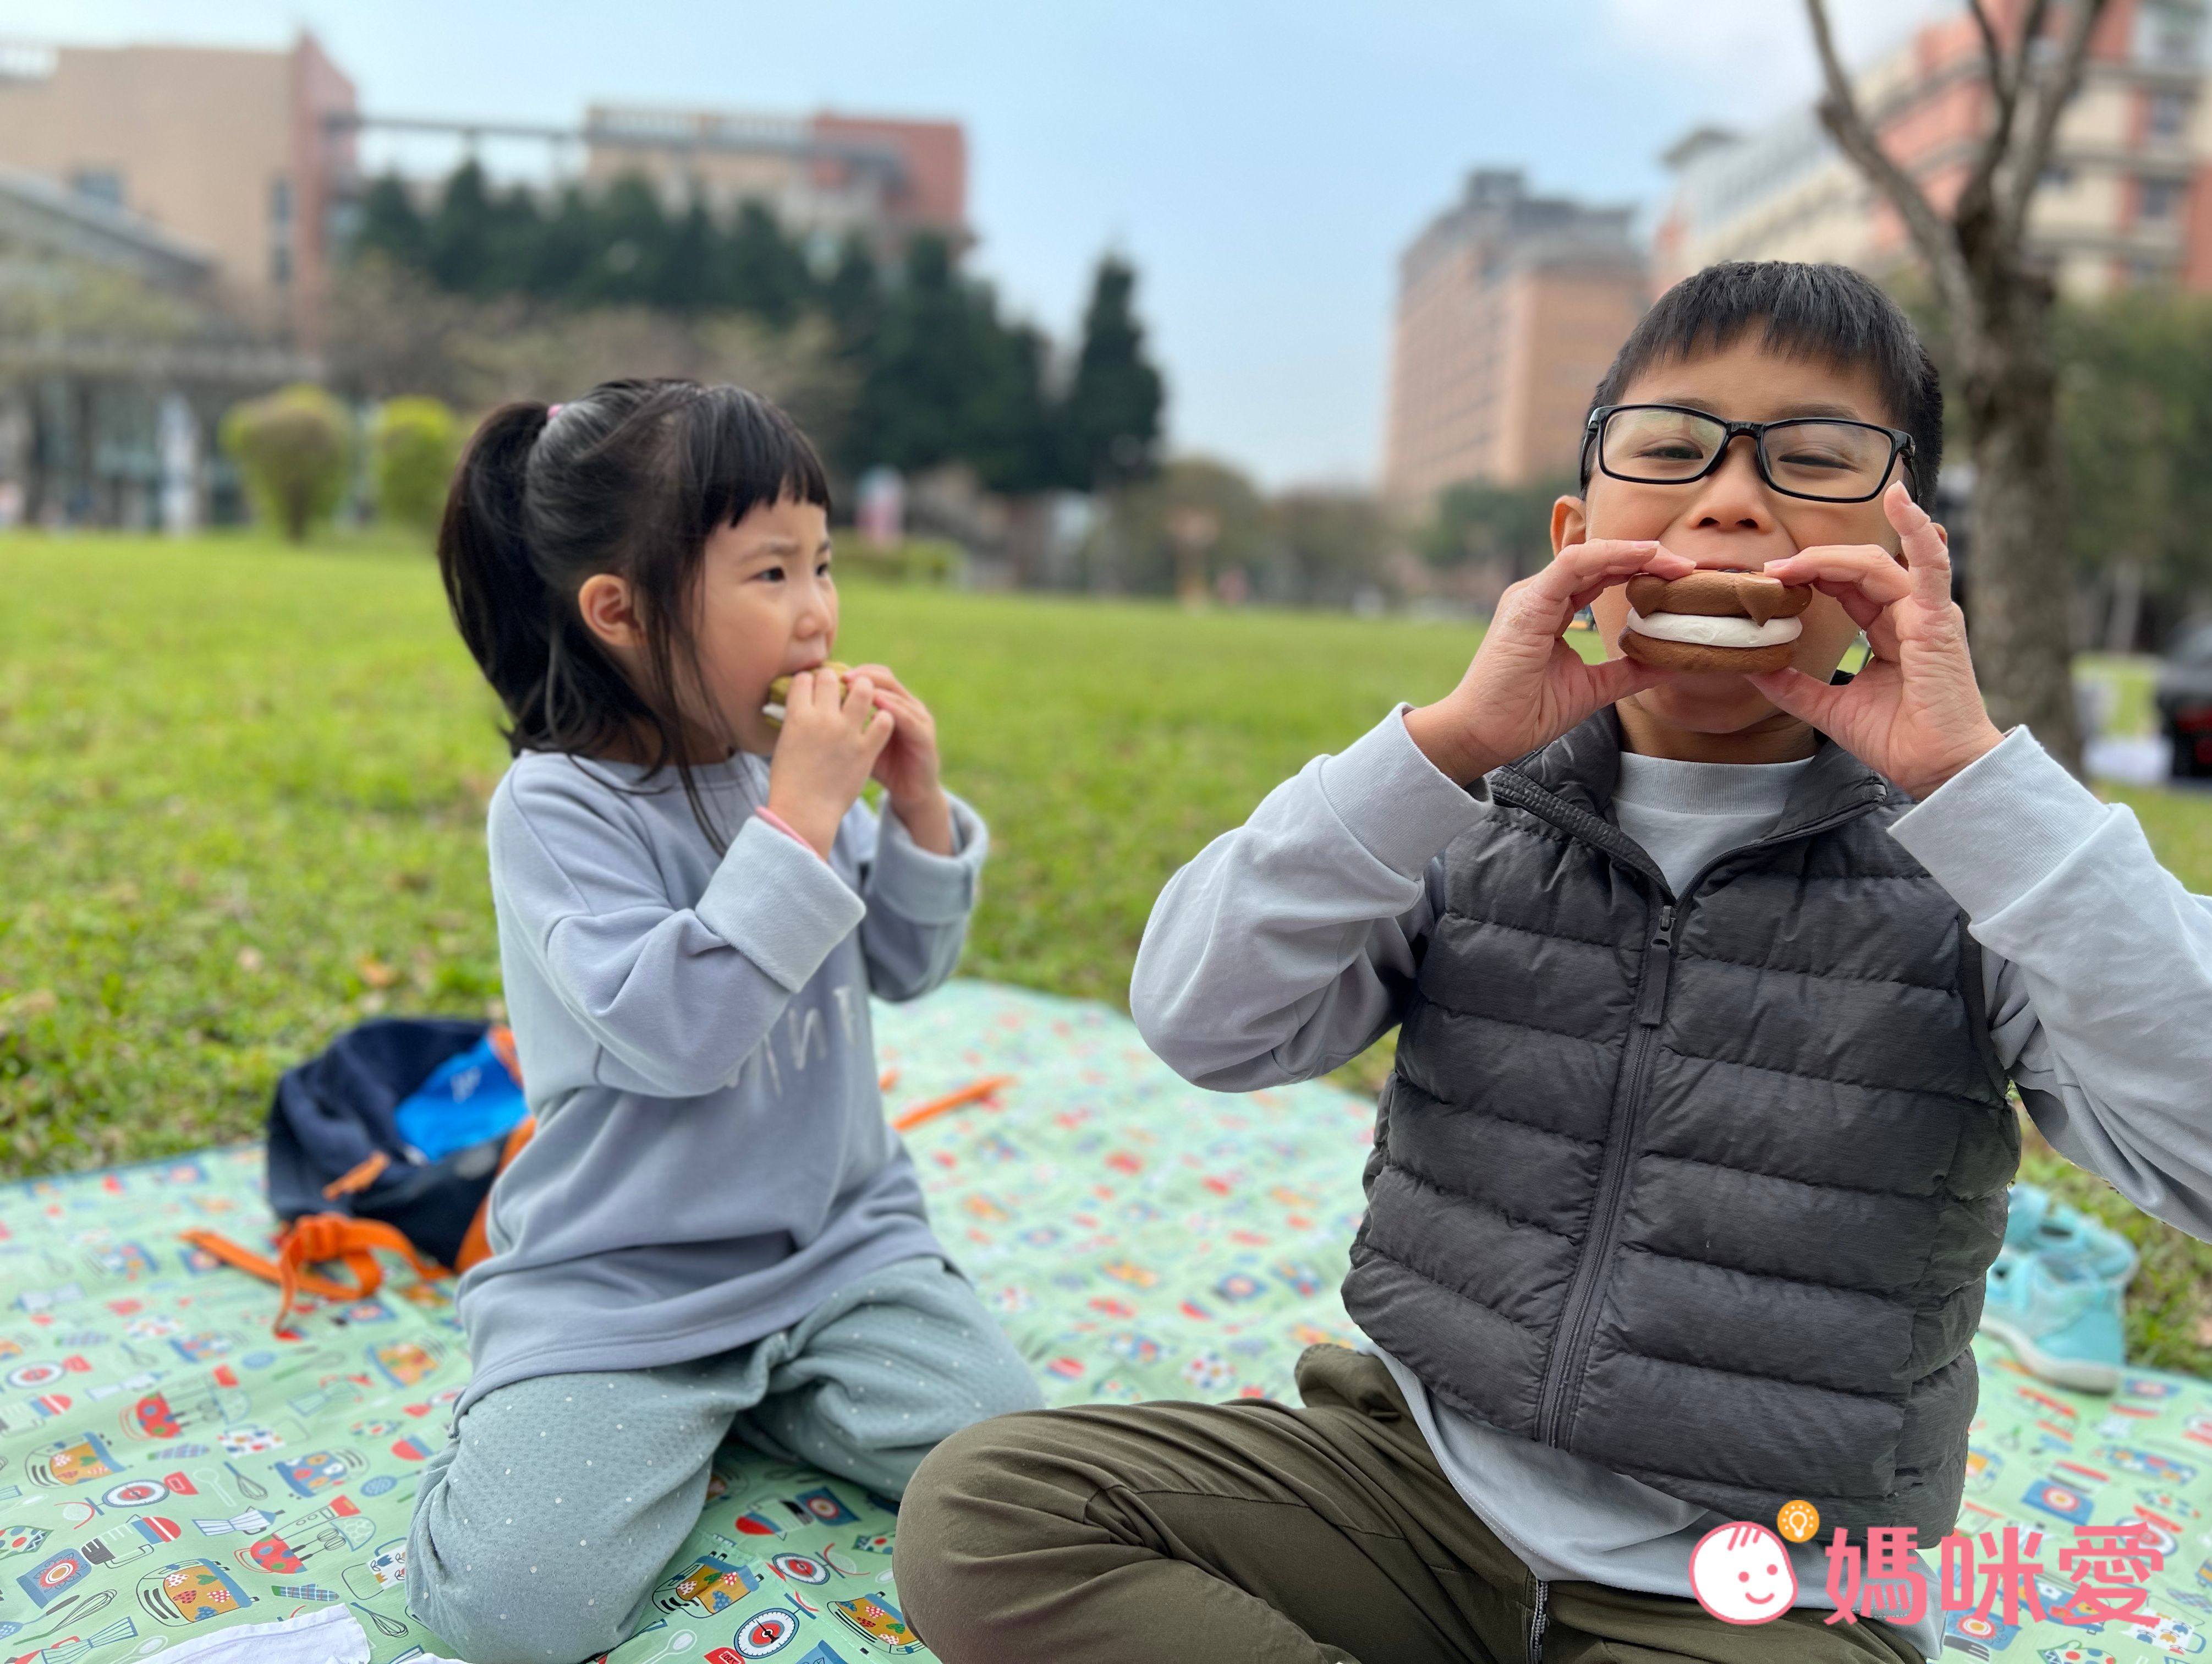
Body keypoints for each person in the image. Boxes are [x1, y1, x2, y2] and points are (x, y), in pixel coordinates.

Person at [892, 263, 2212, 1663]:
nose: (1732, 500)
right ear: (1576, 531)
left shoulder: (1982, 872)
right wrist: (1446, 744)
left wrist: (1978, 787)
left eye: (1814, 460)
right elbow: (1199, 1021)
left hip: (1767, 1588)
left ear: (1910, 549)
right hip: (1408, 1496)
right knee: (986, 1514)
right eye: (1669, 448)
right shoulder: (1465, 812)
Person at [404, 380, 1041, 1663]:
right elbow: (682, 1032)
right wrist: (800, 819)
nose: (817, 613)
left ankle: (769, 1394)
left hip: (836, 1249)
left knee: (1014, 1472)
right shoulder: (557, 809)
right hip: (626, 1279)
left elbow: (907, 967)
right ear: (619, 614)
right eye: (768, 573)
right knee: (508, 1610)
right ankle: (602, 1416)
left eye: (822, 563)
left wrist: (913, 813)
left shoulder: (782, 764)